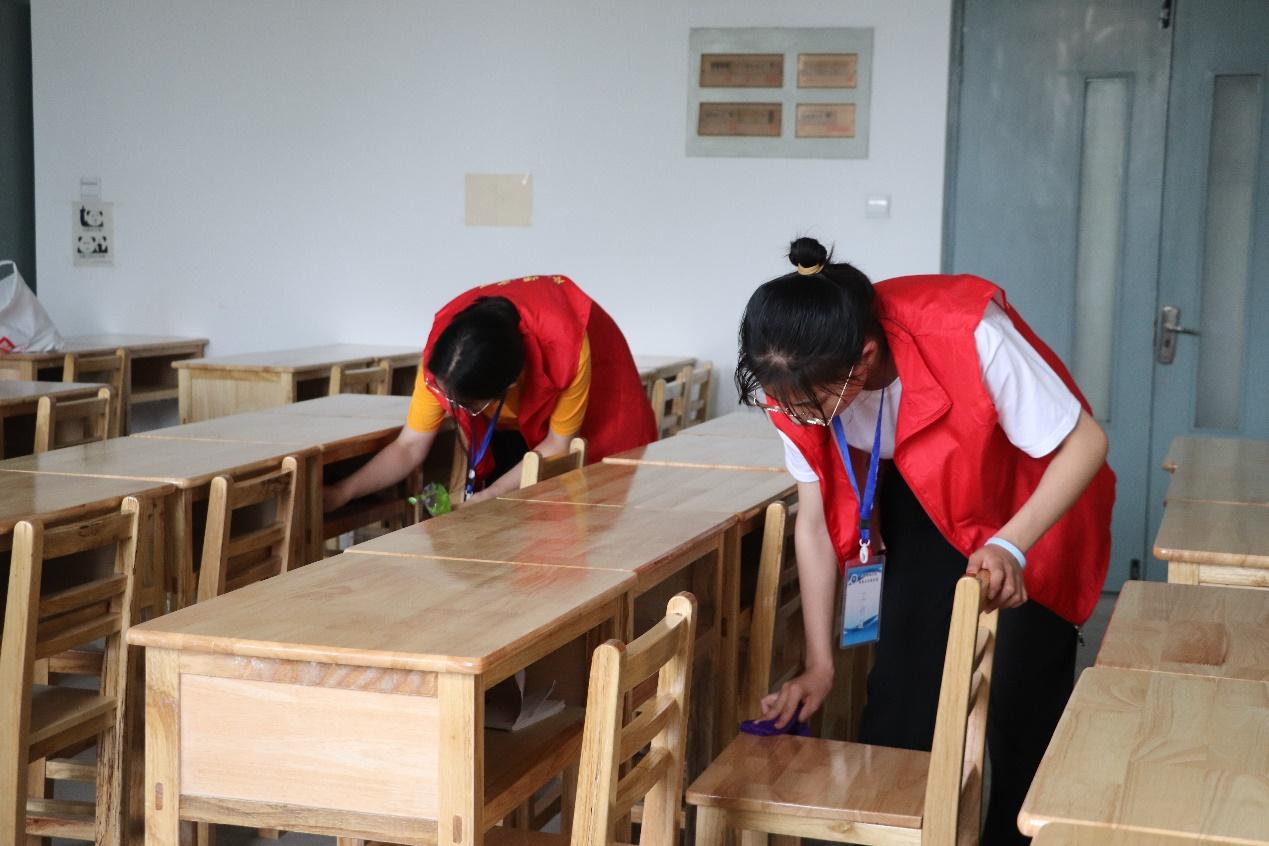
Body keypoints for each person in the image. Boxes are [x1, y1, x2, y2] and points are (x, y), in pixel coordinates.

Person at [738, 238, 1114, 845]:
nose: (796, 415)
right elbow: (814, 522)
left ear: (863, 359)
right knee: (901, 693)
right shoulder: (792, 383)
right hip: (919, 490)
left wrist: (1011, 545)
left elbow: (1085, 444)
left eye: (811, 404)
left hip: (1027, 493)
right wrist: (819, 665)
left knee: (1020, 701)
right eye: (783, 403)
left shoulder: (966, 332)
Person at [324, 274, 655, 512]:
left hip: (602, 402)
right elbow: (410, 446)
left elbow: (558, 445)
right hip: (511, 407)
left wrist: (493, 492)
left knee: (581, 513)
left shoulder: (566, 347)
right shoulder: (447, 362)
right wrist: (343, 492)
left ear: (508, 389)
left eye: (462, 404)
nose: (447, 404)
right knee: (506, 512)